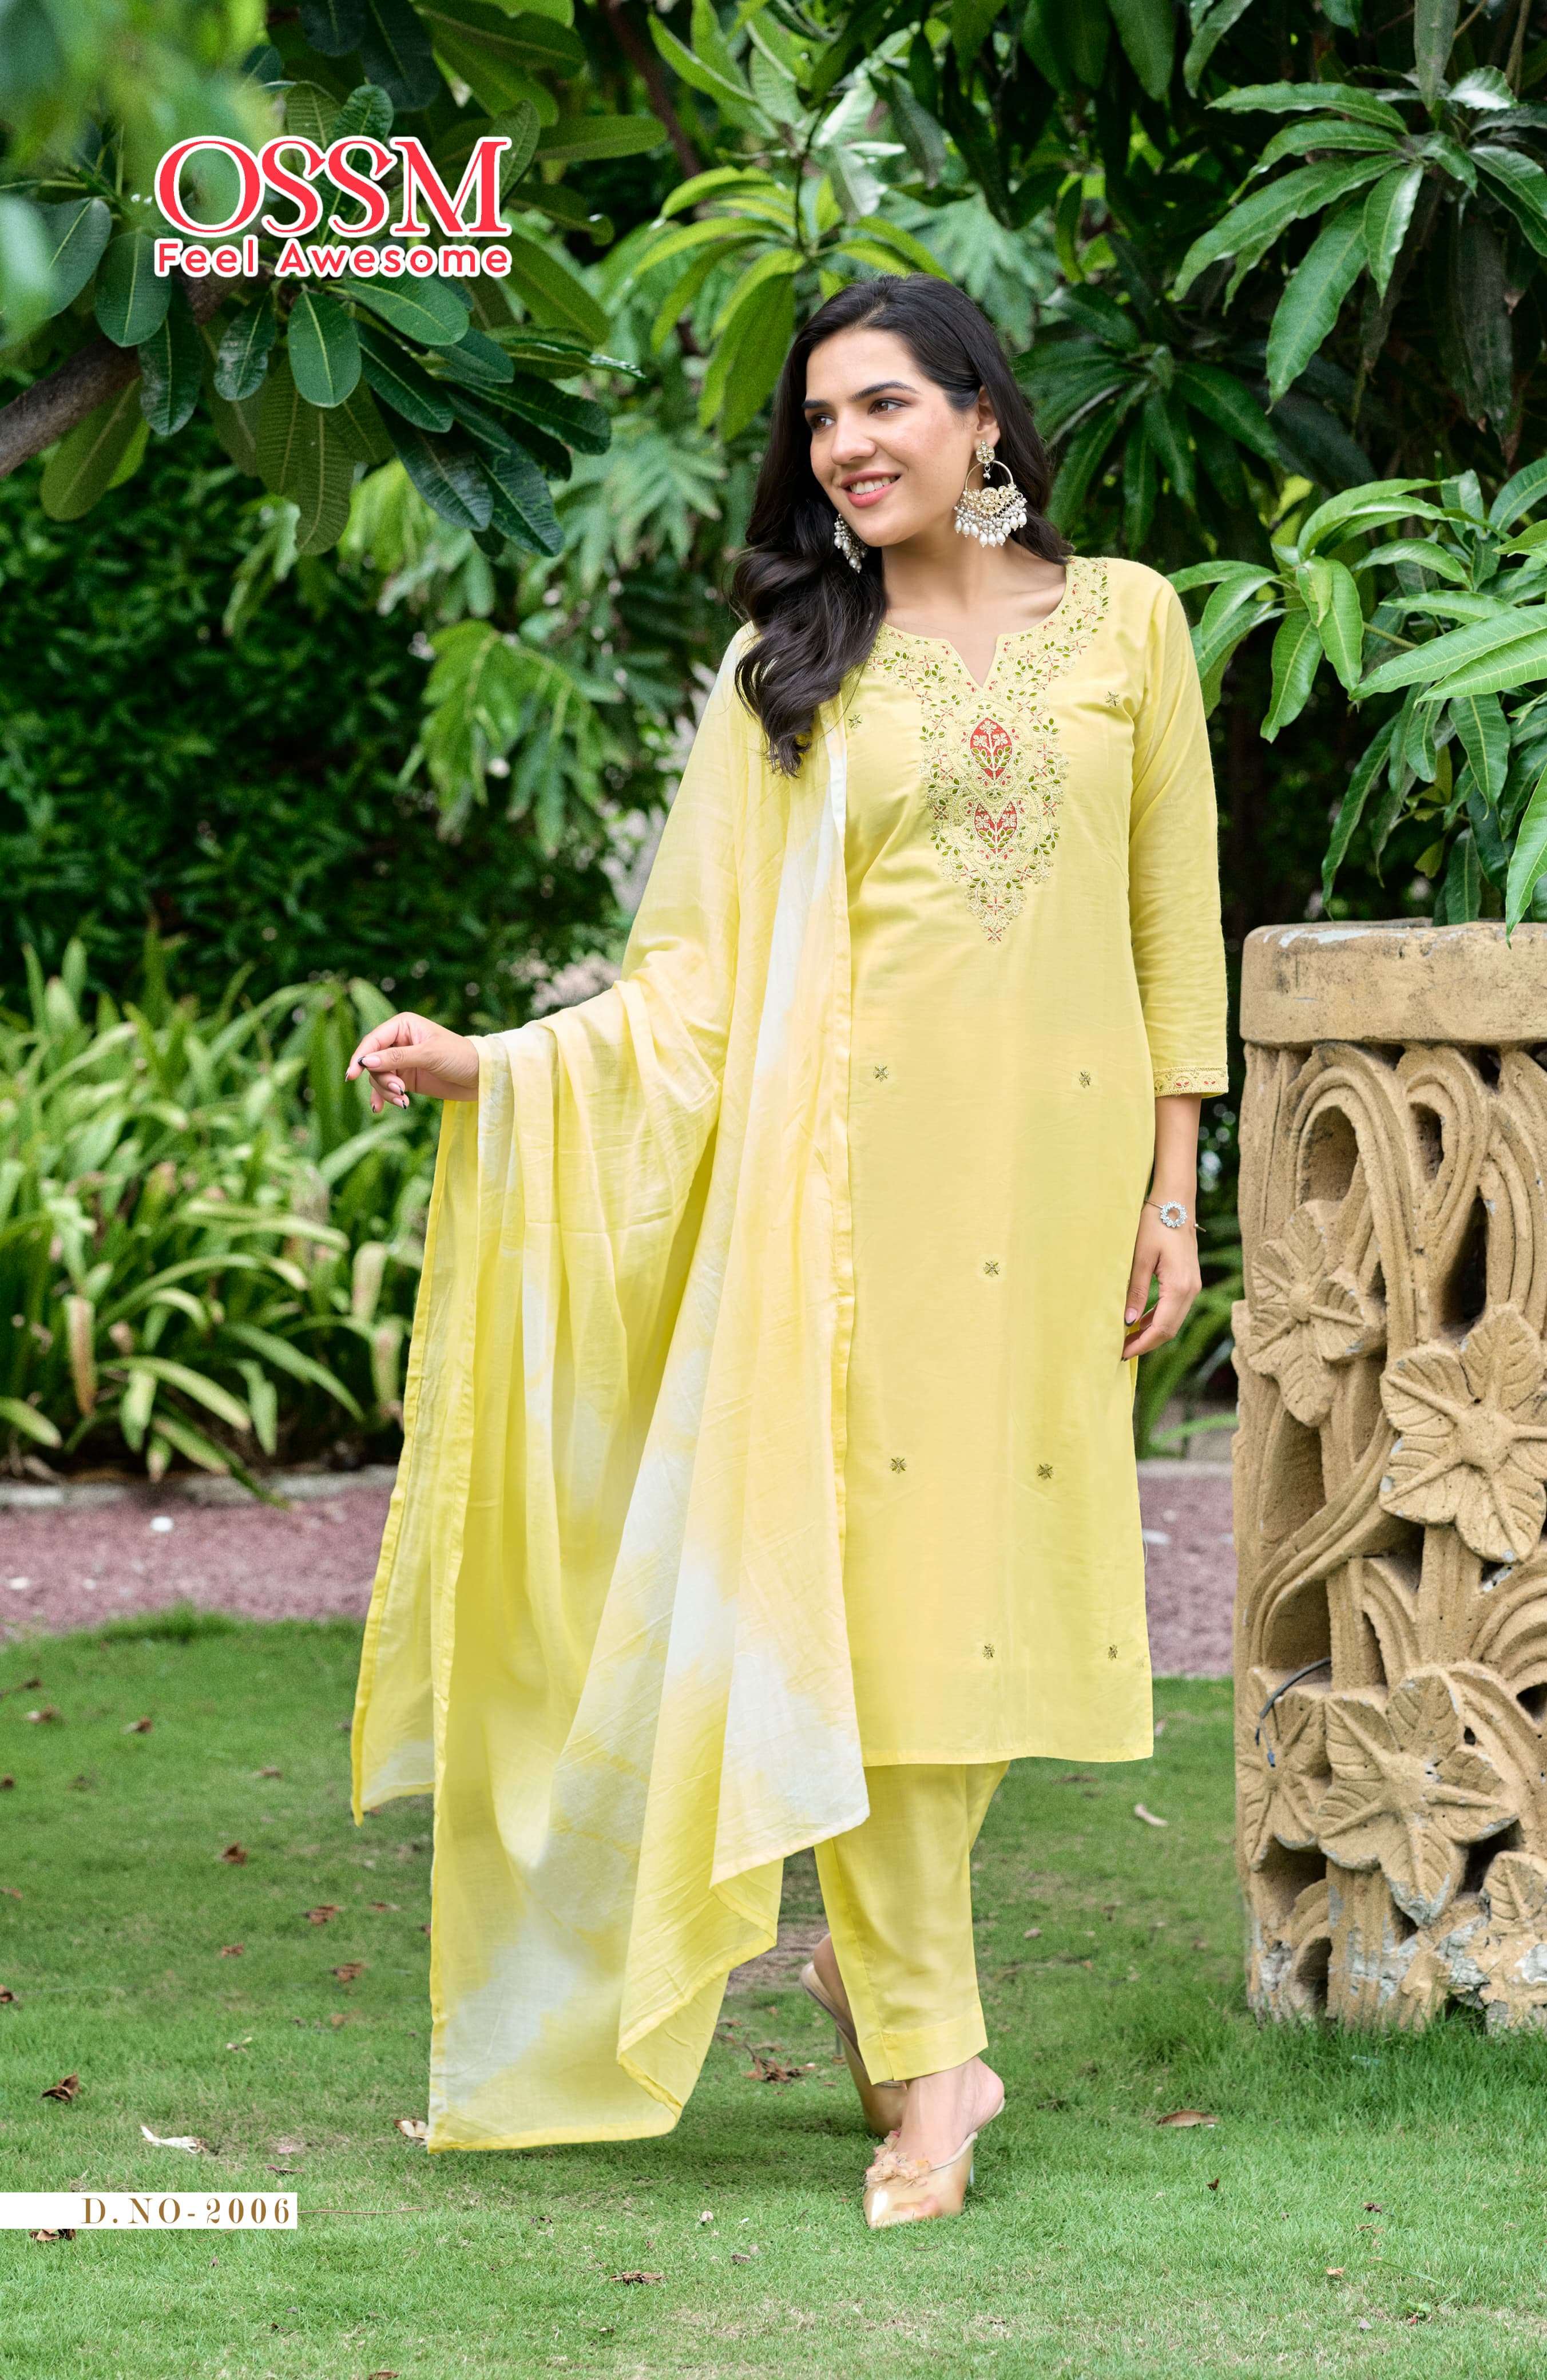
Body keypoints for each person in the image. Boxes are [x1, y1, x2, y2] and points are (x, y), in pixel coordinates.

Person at [344, 274, 1227, 2230]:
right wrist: (497, 1064)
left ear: (983, 418)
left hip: (1064, 1189)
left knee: (988, 1605)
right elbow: (691, 980)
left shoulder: (1132, 624)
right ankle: (932, 2065)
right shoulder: (792, 666)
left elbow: (1178, 928)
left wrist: (1174, 1195)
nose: (847, 445)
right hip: (851, 1202)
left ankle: (871, 1967)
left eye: (885, 403)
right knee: (880, 1623)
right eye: (821, 419)